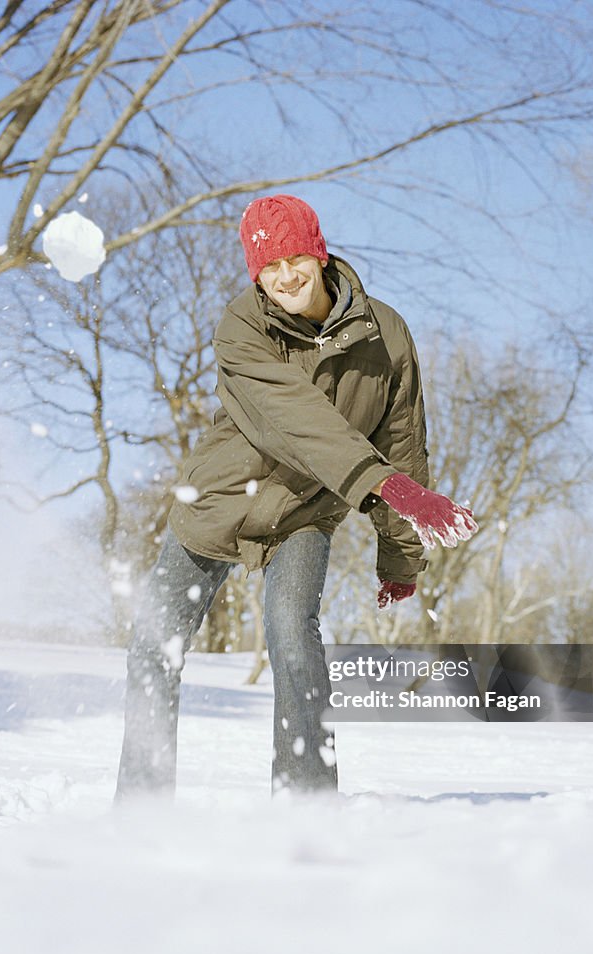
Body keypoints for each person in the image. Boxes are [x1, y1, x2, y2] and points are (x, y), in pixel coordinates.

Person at [114, 194, 477, 801]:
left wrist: (401, 555)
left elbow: (403, 441)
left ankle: (307, 802)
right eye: (267, 267)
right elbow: (300, 419)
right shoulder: (242, 327)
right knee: (155, 642)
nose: (284, 277)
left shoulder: (384, 333)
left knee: (293, 638)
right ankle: (141, 805)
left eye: (295, 260)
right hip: (219, 502)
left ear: (319, 251)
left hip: (305, 510)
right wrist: (386, 485)